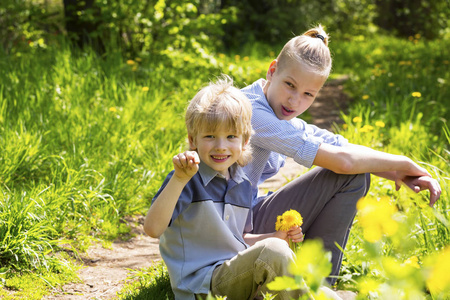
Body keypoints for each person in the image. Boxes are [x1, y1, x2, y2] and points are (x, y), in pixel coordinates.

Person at [241, 25, 442, 285]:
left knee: (355, 173)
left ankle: (317, 281)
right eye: (290, 85)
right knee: (349, 173)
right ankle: (320, 287)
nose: (294, 101)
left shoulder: (276, 109)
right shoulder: (250, 112)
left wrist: (398, 174)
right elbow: (343, 161)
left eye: (307, 94)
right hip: (221, 229)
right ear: (272, 70)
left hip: (245, 216)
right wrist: (404, 163)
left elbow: (340, 146)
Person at [144, 76, 339, 300]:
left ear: (245, 141)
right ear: (192, 139)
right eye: (210, 136)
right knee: (274, 253)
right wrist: (178, 180)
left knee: (325, 293)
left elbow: (240, 239)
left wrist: (276, 236)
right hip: (203, 286)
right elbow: (152, 229)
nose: (221, 146)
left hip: (236, 275)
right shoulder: (187, 178)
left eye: (230, 137)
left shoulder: (242, 183)